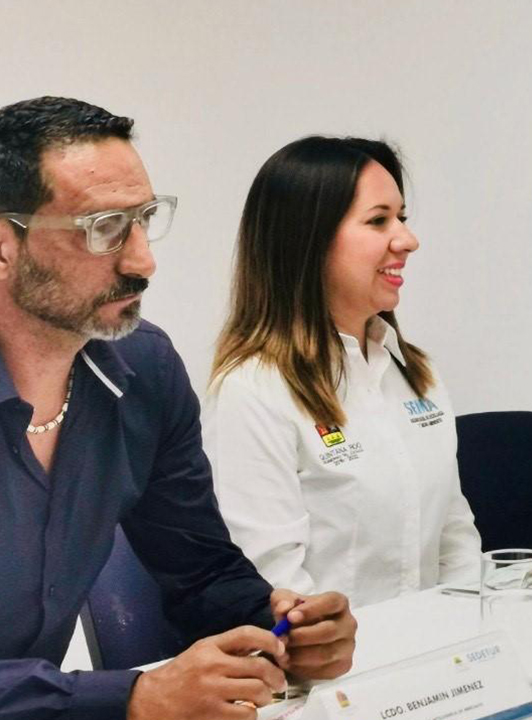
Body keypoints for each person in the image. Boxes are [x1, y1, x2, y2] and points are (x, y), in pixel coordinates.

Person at [0, 96, 357, 719]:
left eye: (144, 219)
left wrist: (281, 625)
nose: (143, 261)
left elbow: (198, 570)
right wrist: (133, 698)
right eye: (103, 227)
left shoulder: (144, 370)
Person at [205, 137, 482, 608]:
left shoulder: (415, 371)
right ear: (307, 240)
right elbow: (277, 589)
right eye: (378, 221)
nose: (407, 240)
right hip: (333, 654)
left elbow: (455, 540)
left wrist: (474, 632)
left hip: (438, 644)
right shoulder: (252, 390)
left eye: (402, 218)